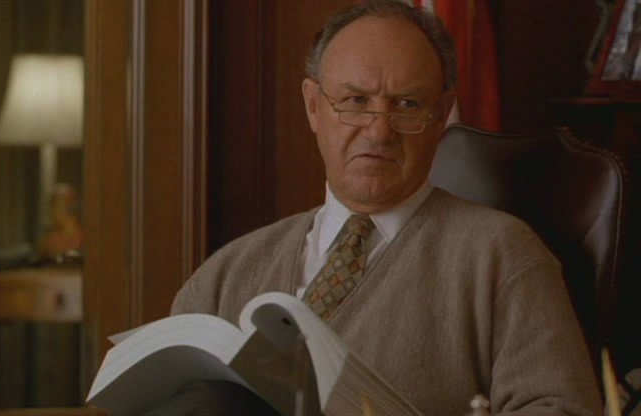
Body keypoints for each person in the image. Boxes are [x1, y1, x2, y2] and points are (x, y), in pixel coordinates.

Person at [170, 1, 603, 415]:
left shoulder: (502, 255)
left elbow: (564, 410)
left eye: (407, 105)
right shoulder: (224, 276)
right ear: (314, 107)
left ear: (442, 115)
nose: (379, 132)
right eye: (355, 101)